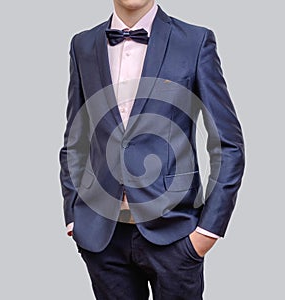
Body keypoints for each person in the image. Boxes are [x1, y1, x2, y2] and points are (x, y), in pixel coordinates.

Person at [59, 1, 245, 299]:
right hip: (102, 238)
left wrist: (208, 232)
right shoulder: (83, 44)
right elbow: (75, 137)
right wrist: (73, 215)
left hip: (175, 234)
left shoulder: (195, 41)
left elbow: (228, 144)